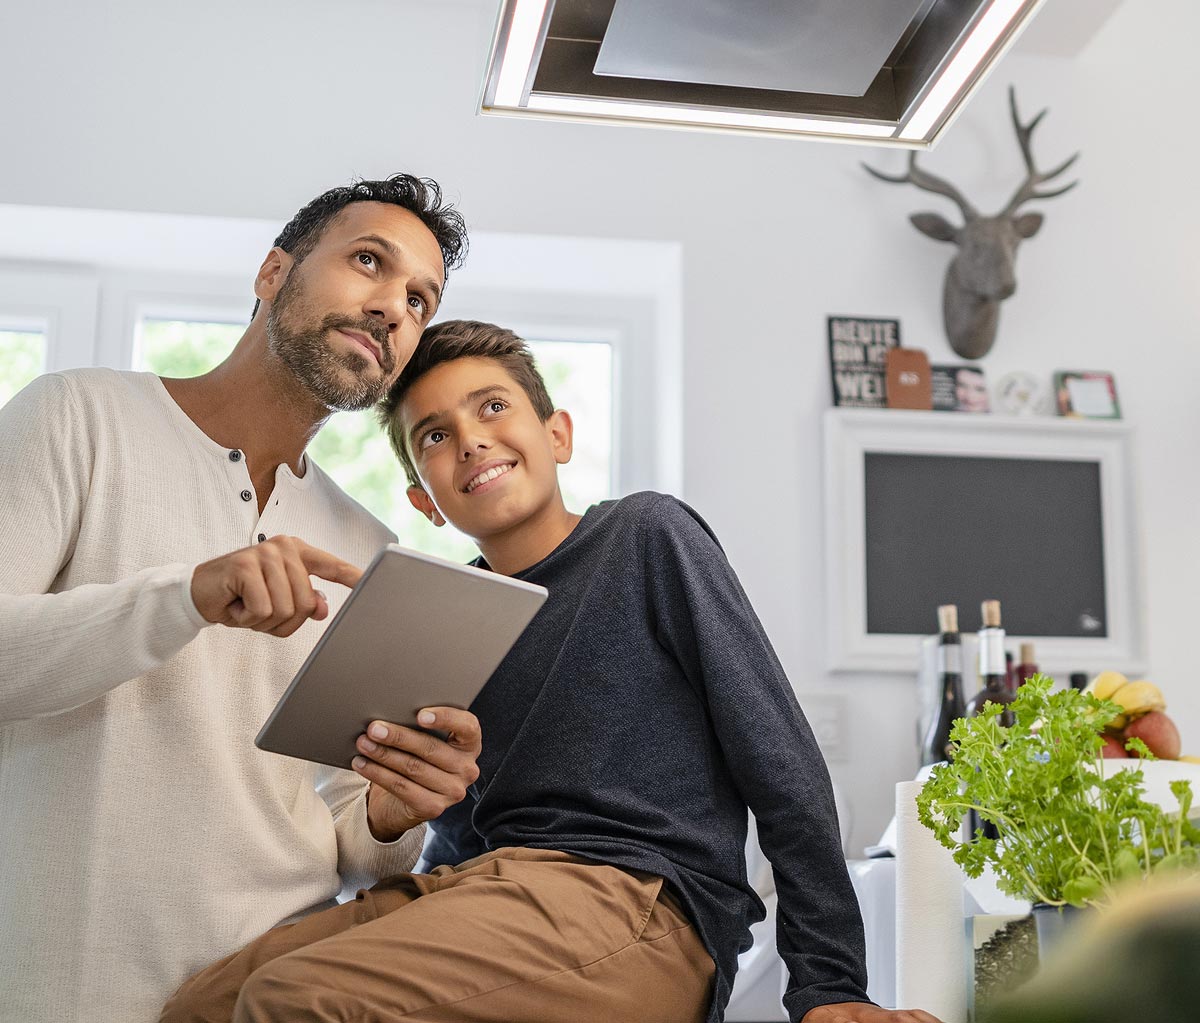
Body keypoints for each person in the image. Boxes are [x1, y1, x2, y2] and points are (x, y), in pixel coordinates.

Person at [162, 320, 943, 1023]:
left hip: (637, 901)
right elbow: (458, 833)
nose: (471, 440)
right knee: (200, 1007)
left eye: (492, 407)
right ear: (424, 501)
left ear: (557, 434)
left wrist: (829, 984)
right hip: (487, 889)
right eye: (435, 435)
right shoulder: (444, 617)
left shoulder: (646, 535)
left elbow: (781, 763)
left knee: (291, 1000)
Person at [0, 176, 483, 1023]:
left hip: (266, 989)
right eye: (368, 262)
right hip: (61, 979)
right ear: (272, 273)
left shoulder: (372, 552)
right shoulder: (79, 415)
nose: (392, 308)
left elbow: (349, 833)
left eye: (419, 300)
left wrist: (393, 810)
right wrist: (186, 596)